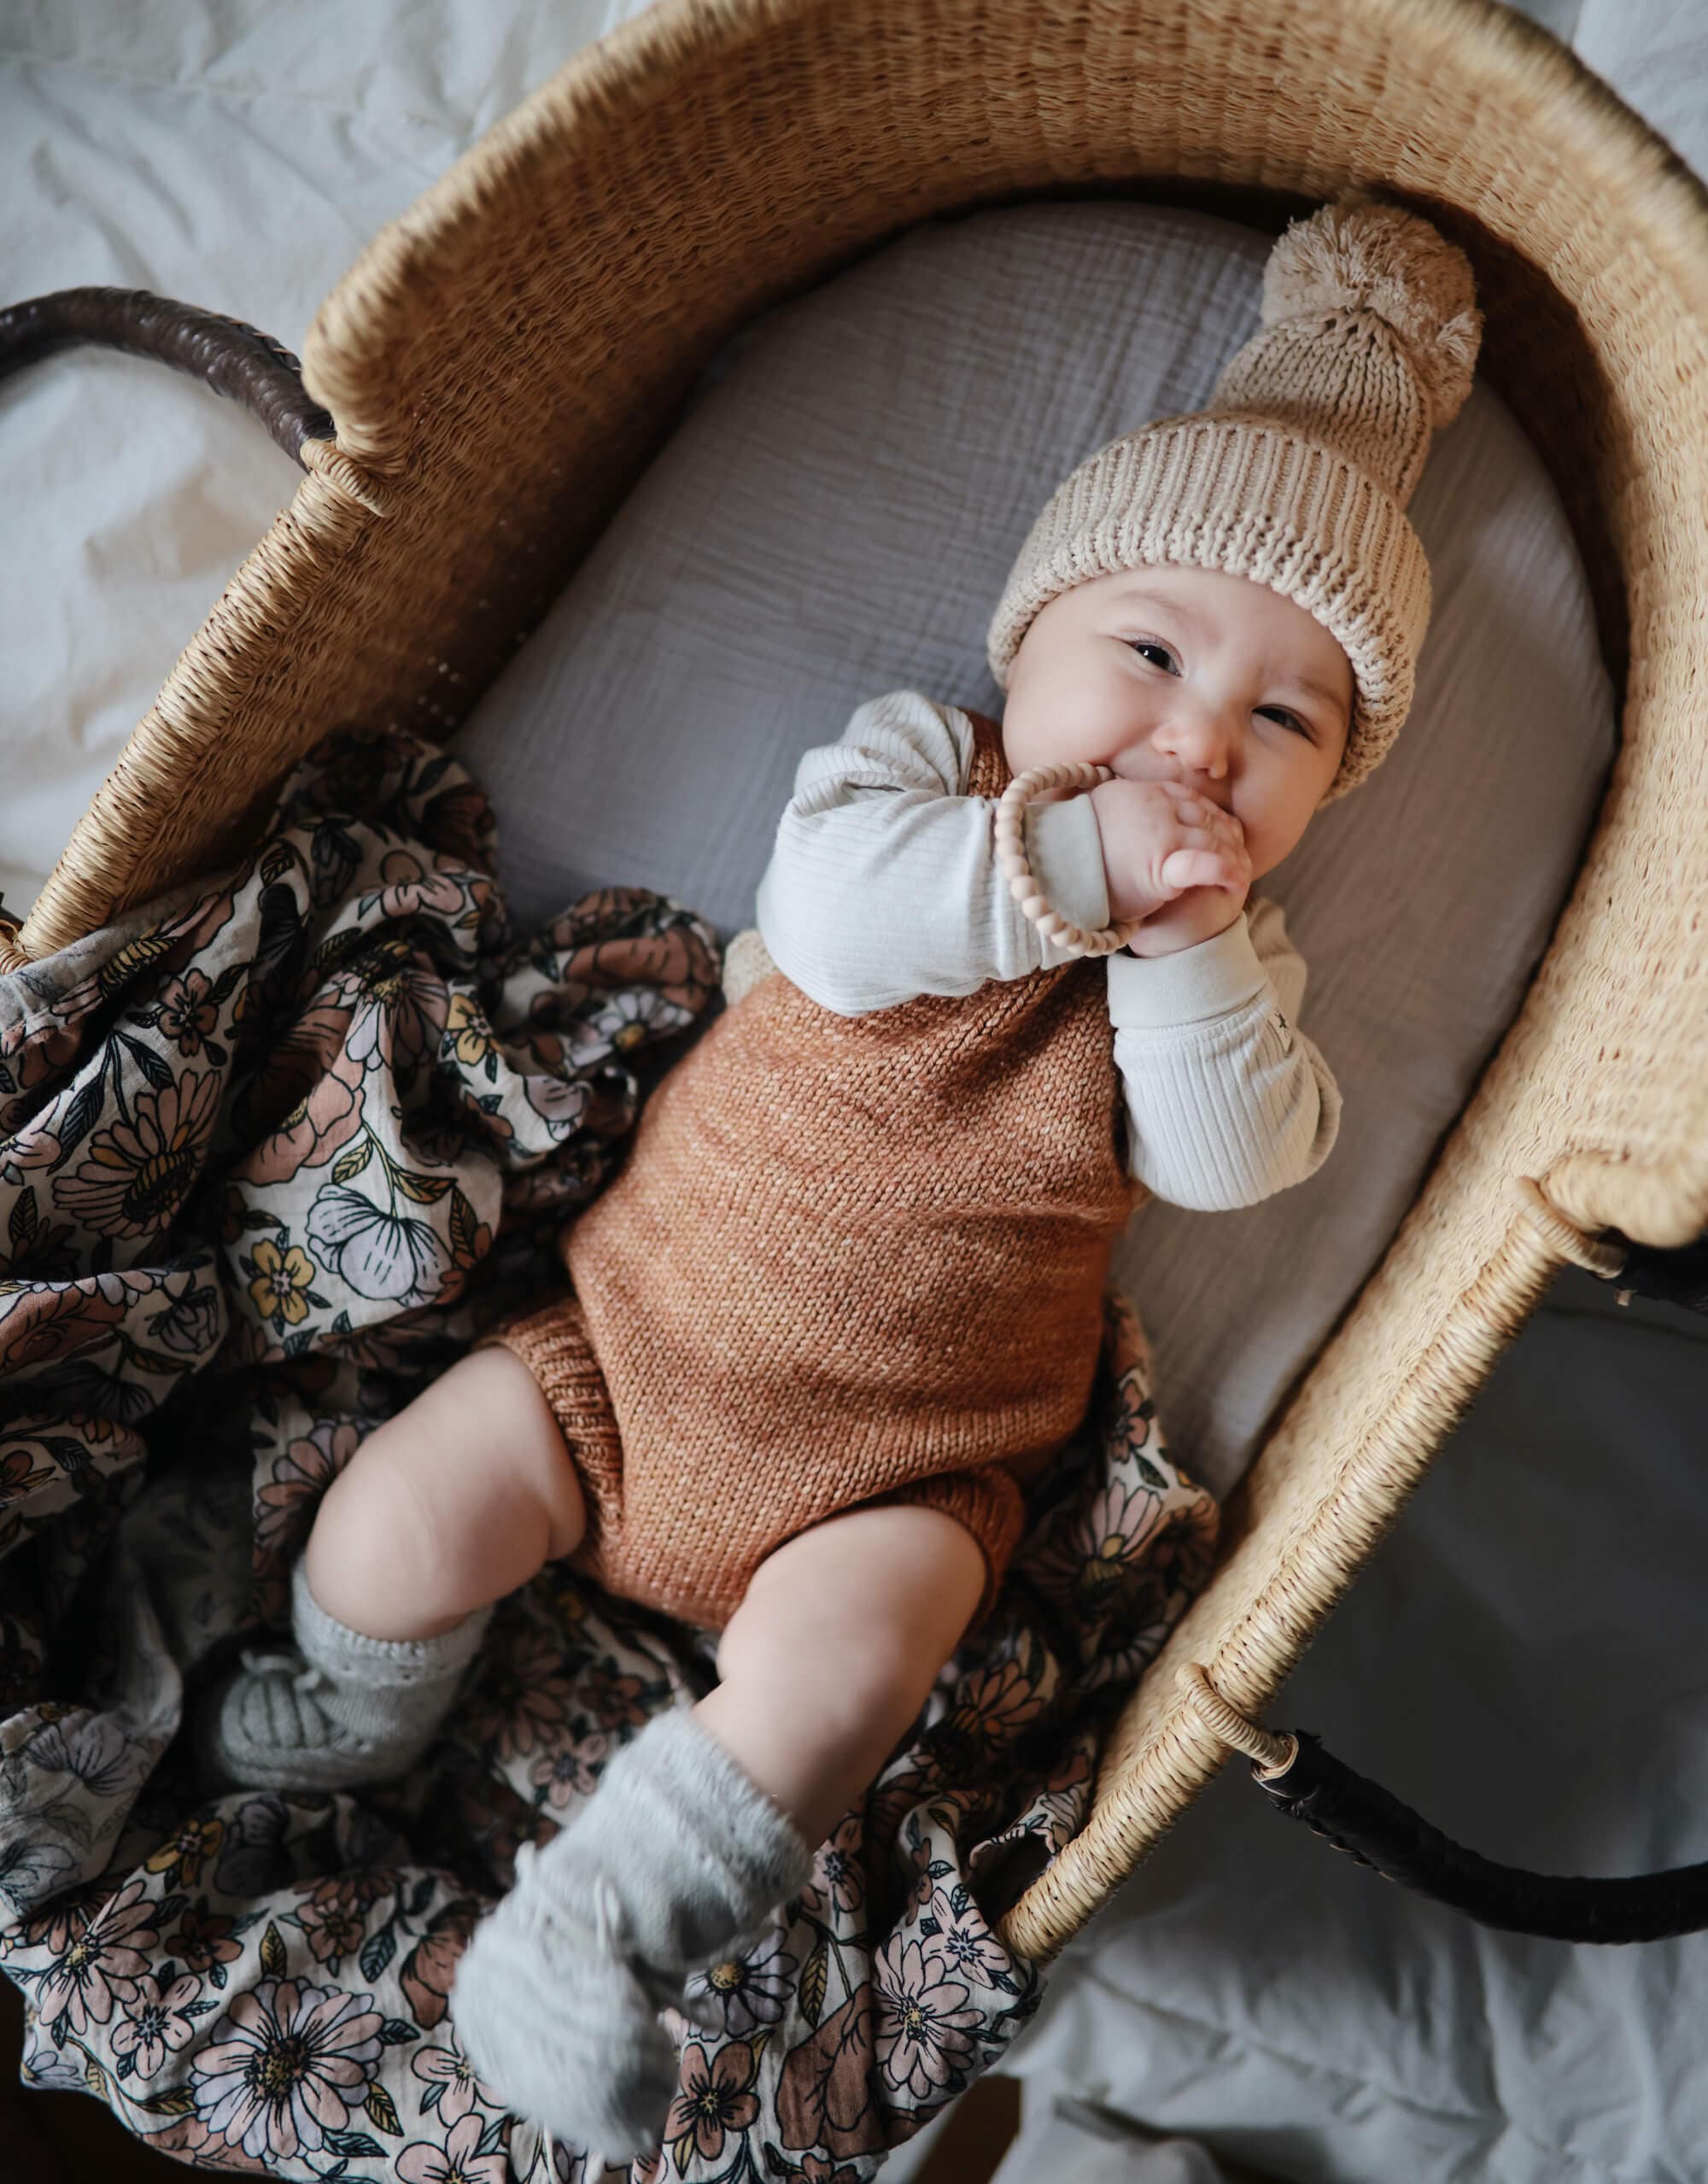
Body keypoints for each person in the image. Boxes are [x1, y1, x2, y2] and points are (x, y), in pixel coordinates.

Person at [204, 191, 1480, 2156]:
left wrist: (1188, 946)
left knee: (852, 1678)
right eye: (1147, 650)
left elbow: (1235, 1157)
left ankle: (597, 1934)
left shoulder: (1232, 968)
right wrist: (1064, 872)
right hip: (616, 1363)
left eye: (1284, 718)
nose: (1197, 740)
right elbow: (839, 916)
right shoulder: (916, 778)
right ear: (1028, 640)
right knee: (402, 1510)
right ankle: (341, 1711)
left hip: (903, 1474)